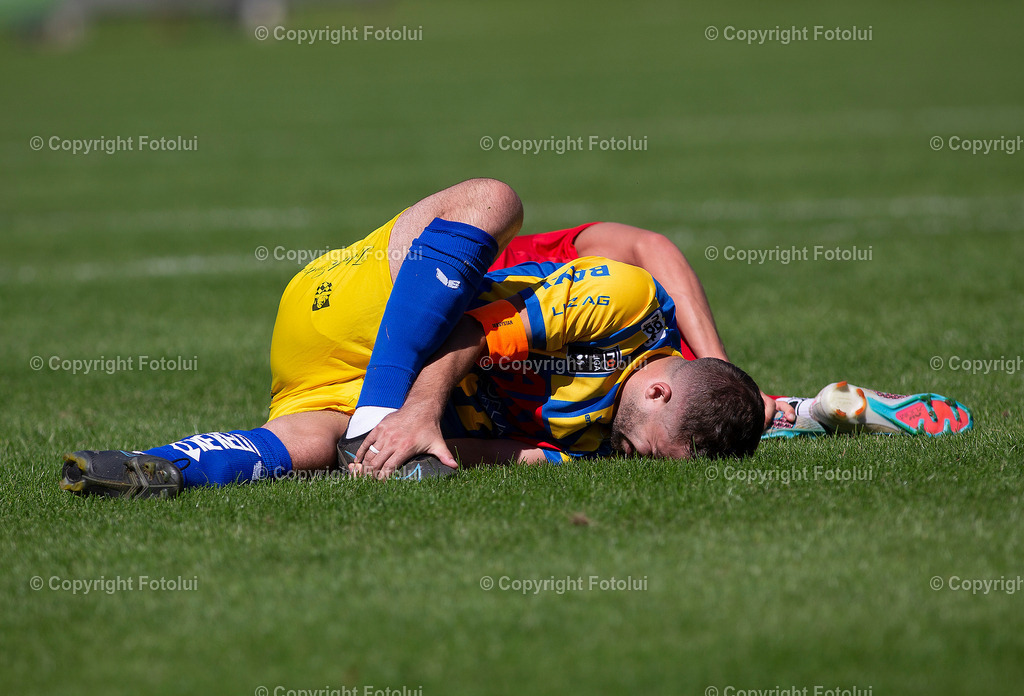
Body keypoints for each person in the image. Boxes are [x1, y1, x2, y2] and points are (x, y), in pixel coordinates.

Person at [59, 178, 769, 498]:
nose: (633, 461)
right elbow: (469, 330)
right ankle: (376, 413)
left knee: (319, 453)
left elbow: (491, 449)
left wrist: (418, 448)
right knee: (494, 199)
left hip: (336, 383)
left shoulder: (600, 435)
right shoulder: (627, 302)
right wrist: (413, 412)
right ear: (658, 384)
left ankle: (153, 466)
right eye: (644, 450)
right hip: (367, 309)